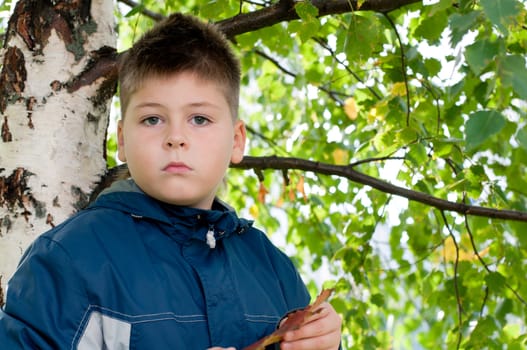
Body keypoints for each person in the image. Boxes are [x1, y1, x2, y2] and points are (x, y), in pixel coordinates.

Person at [0, 13, 342, 349]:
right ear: (122, 139)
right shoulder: (70, 259)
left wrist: (323, 343)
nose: (176, 137)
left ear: (237, 140)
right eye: (152, 119)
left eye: (199, 119)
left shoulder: (271, 268)